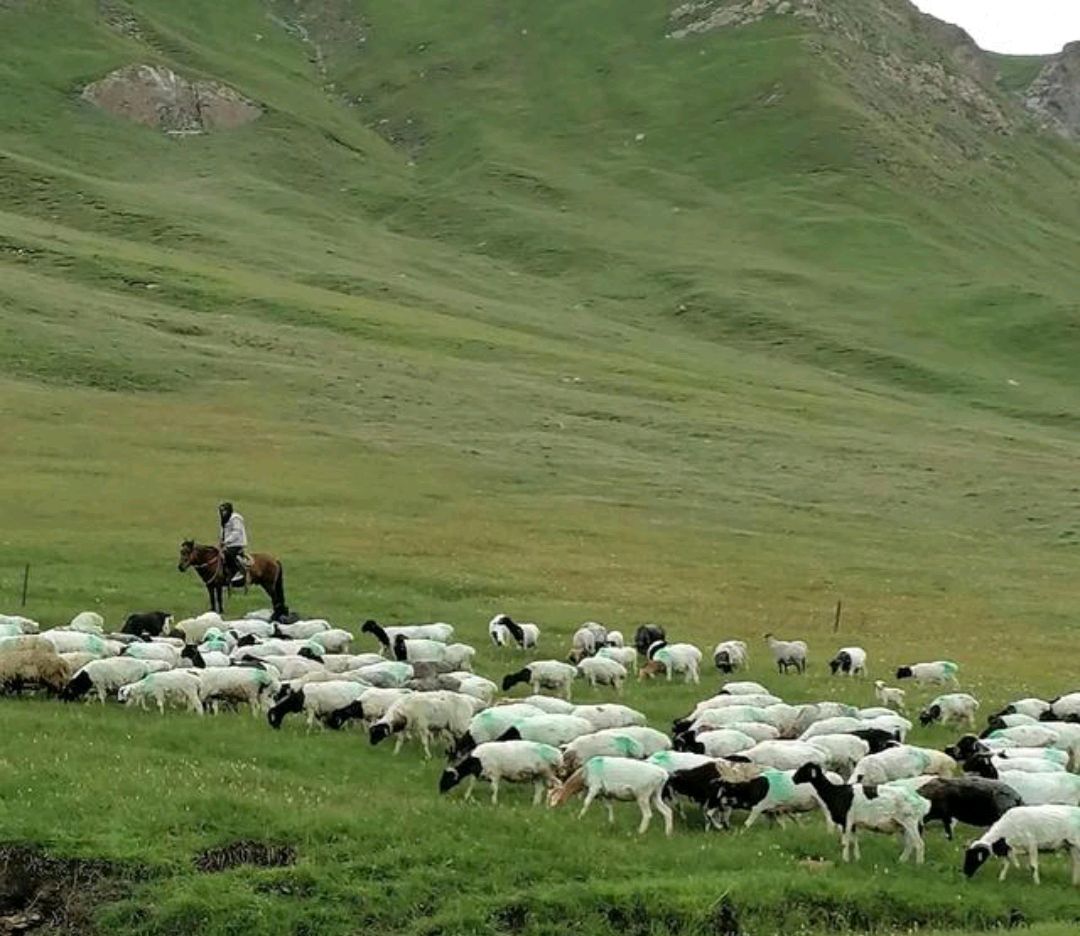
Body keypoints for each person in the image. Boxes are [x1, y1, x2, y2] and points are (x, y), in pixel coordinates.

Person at [218, 501, 248, 586]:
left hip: (237, 543)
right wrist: (220, 541)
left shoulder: (235, 518)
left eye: (224, 511)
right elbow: (223, 531)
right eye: (221, 511)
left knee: (228, 554)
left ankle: (237, 571)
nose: (223, 513)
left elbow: (237, 532)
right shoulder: (224, 520)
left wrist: (226, 541)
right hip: (227, 543)